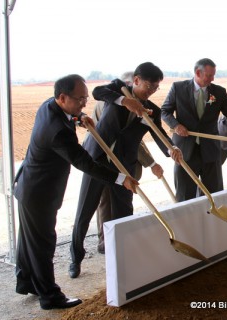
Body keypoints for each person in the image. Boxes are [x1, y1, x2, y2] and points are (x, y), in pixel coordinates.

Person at [13, 74, 138, 310]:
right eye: (80, 99)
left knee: (28, 240)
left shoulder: (49, 106)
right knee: (43, 243)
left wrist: (79, 116)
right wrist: (121, 179)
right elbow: (86, 163)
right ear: (63, 97)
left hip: (29, 185)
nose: (84, 102)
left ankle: (26, 281)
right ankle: (50, 297)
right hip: (39, 193)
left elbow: (69, 115)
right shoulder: (57, 130)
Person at [69, 62, 182, 278]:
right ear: (136, 80)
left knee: (123, 213)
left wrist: (172, 149)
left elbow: (160, 136)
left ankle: (123, 256)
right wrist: (124, 101)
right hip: (97, 160)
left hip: (124, 168)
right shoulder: (118, 89)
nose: (151, 92)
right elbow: (96, 92)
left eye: (155, 88)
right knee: (85, 211)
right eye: (148, 86)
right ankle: (76, 258)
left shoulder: (152, 111)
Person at [88, 71, 164, 254]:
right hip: (103, 160)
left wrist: (152, 163)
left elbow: (136, 140)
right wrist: (152, 163)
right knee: (105, 201)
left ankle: (123, 239)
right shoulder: (107, 105)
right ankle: (105, 241)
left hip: (126, 162)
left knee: (124, 202)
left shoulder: (144, 107)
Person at [161, 58, 227, 201]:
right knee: (184, 196)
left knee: (214, 194)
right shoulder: (178, 88)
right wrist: (176, 125)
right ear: (198, 72)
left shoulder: (219, 92)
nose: (212, 79)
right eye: (209, 75)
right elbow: (165, 112)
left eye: (214, 75)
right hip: (184, 151)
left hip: (210, 150)